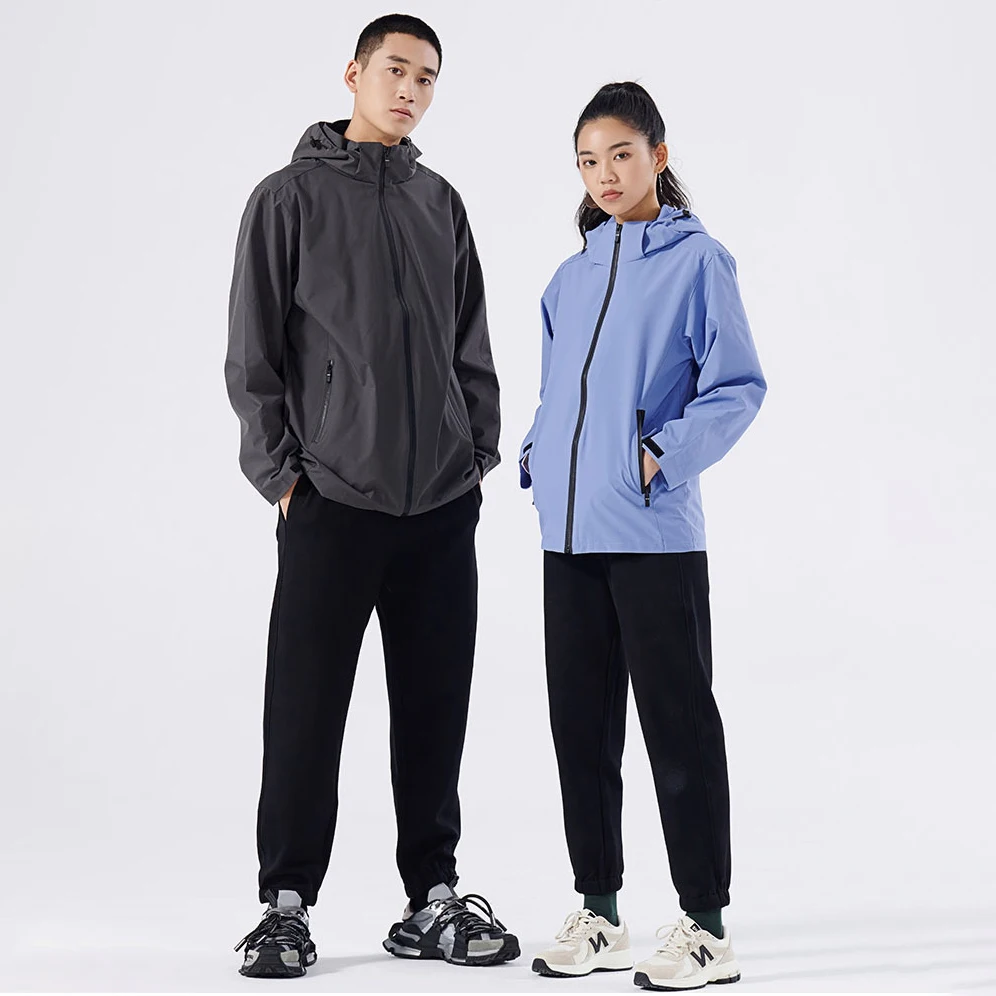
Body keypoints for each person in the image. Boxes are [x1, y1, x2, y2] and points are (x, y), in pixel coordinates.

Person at [225, 13, 518, 978]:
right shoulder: (289, 198)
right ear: (353, 73)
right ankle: (285, 905)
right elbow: (253, 355)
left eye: (427, 78)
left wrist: (474, 456)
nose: (410, 91)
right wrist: (283, 479)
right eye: (396, 70)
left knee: (435, 707)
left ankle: (431, 896)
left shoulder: (441, 203)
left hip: (439, 503)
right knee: (306, 708)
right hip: (332, 502)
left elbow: (471, 344)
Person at [520, 82, 766, 989]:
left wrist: (657, 456)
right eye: (589, 161)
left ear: (658, 156)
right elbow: (557, 391)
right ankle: (600, 912)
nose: (606, 174)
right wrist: (539, 456)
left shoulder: (700, 262)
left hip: (655, 535)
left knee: (678, 728)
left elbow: (737, 386)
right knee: (581, 730)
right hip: (569, 537)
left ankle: (705, 926)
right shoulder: (569, 277)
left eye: (621, 154)